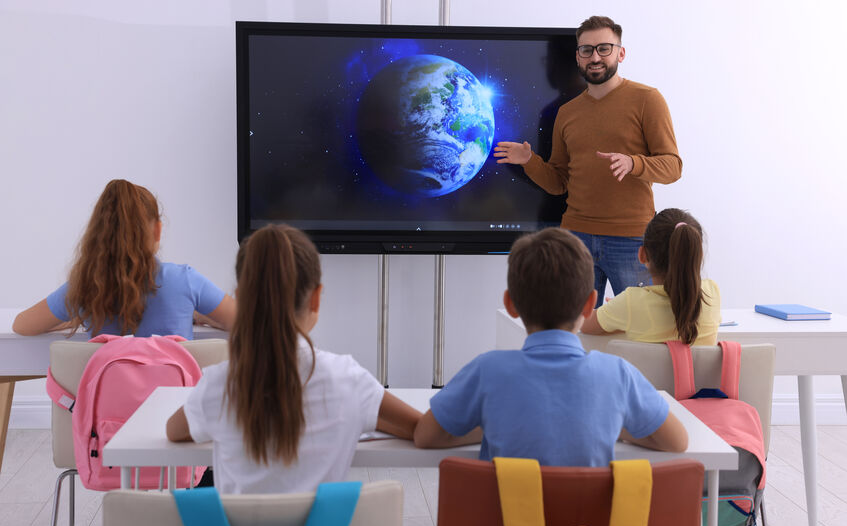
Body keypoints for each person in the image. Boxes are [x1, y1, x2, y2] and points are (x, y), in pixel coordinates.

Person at [166, 224, 421, 494]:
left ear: (242, 301)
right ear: (316, 299)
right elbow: (419, 428)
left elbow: (174, 431)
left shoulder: (221, 384)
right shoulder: (350, 381)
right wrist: (364, 415)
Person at [414, 227, 687, 467]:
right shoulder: (617, 374)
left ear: (510, 304)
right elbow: (677, 440)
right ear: (591, 304)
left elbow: (425, 435)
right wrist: (612, 426)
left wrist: (494, 424)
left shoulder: (487, 370)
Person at [493, 15, 683, 305]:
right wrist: (529, 160)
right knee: (575, 333)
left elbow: (673, 167)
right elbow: (559, 183)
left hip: (632, 242)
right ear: (578, 57)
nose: (595, 57)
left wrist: (634, 164)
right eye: (586, 50)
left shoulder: (647, 99)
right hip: (575, 239)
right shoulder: (566, 113)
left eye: (604, 48)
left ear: (621, 52)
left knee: (638, 333)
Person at [13, 179, 234, 338]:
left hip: (110, 404)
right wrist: (203, 315)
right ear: (158, 230)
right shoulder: (185, 281)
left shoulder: (85, 287)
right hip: (174, 404)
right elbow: (249, 322)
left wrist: (78, 315)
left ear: (99, 235)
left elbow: (22, 325)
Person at [582, 208, 721, 345]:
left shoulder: (631, 303)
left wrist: (617, 312)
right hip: (700, 369)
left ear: (642, 255)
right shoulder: (712, 293)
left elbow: (584, 324)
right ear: (698, 255)